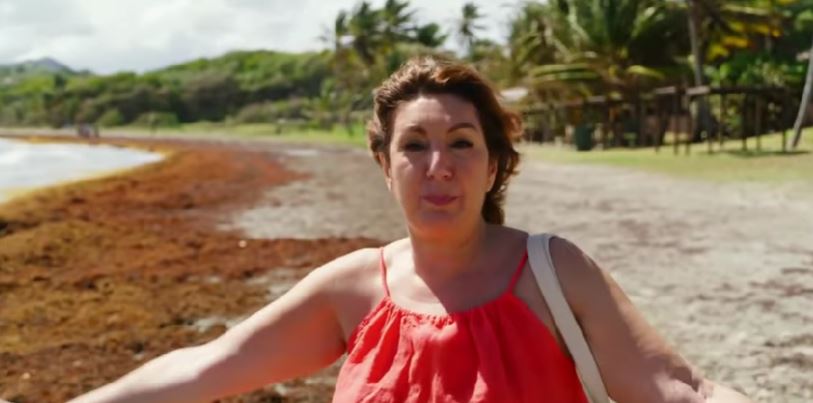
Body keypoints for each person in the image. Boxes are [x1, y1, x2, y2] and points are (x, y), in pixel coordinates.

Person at [70, 57, 754, 403]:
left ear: (493, 166)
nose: (438, 168)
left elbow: (674, 388)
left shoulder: (553, 271)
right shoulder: (354, 288)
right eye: (414, 146)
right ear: (383, 163)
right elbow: (206, 366)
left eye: (461, 144)